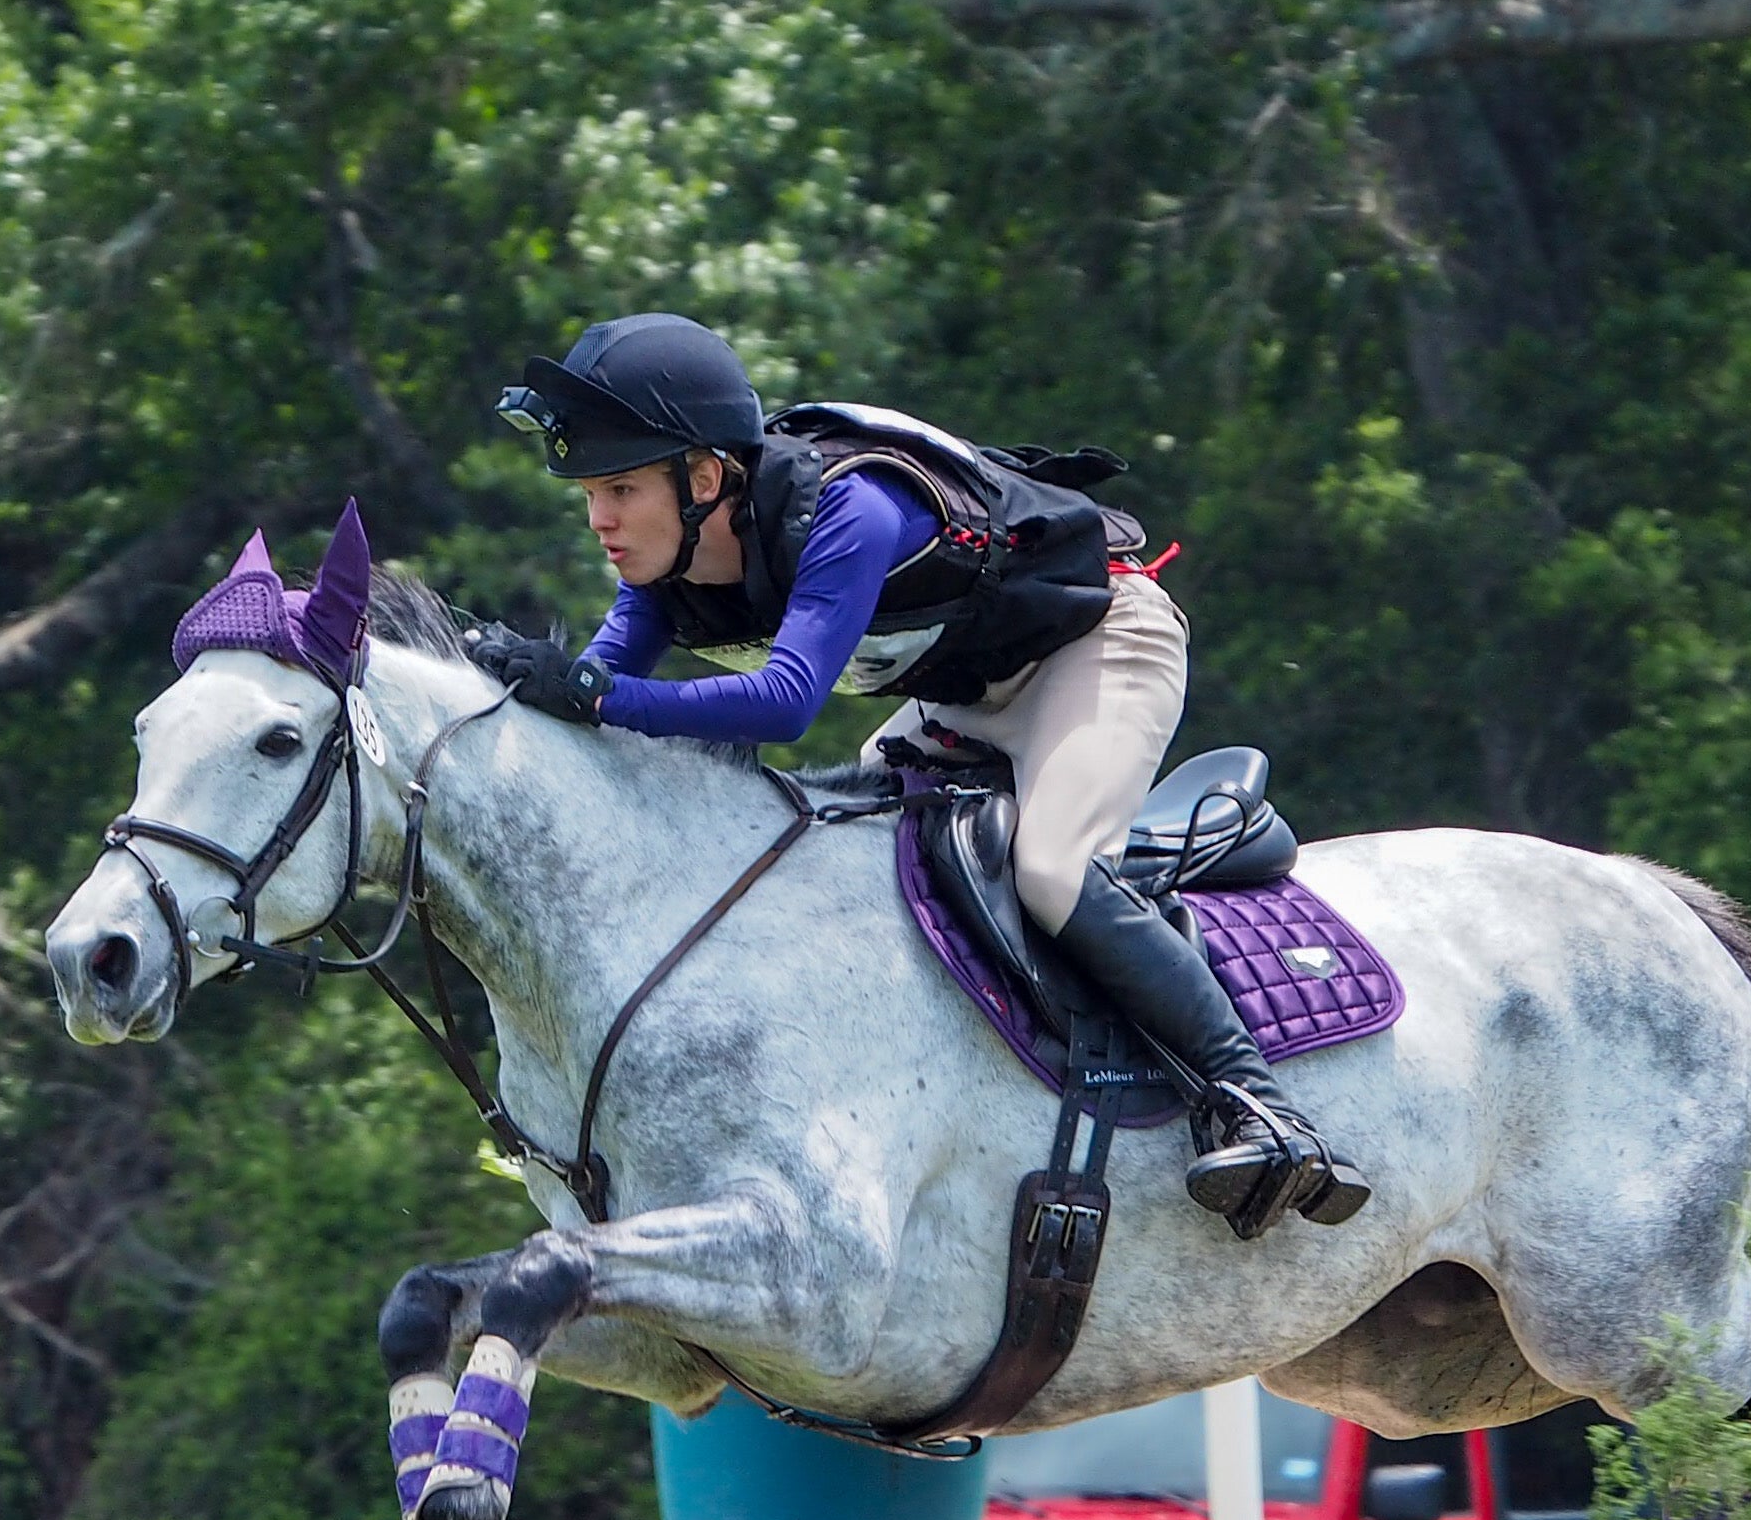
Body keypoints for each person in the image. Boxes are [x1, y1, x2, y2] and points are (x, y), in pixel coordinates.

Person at [464, 313, 1368, 1240]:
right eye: (589, 493)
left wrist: (589, 693)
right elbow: (601, 690)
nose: (599, 520)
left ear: (702, 478)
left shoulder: (850, 509)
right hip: (963, 696)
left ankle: (1256, 1104)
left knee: (1048, 869)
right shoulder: (670, 551)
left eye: (619, 488)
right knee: (839, 855)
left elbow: (779, 703)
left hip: (1103, 645)